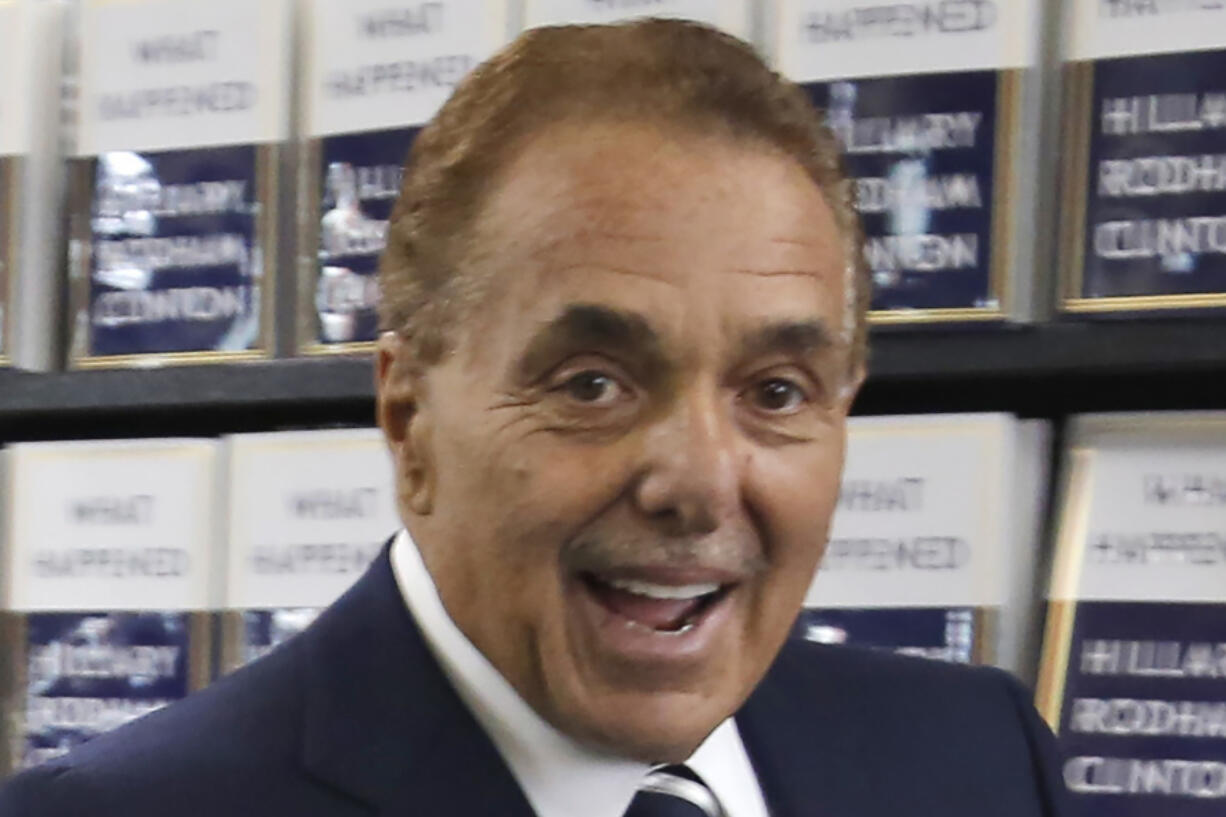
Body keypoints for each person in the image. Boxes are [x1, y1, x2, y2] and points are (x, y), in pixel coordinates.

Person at [0, 19, 1070, 817]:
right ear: (408, 418)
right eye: (592, 384)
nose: (698, 482)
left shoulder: (975, 759)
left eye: (775, 392)